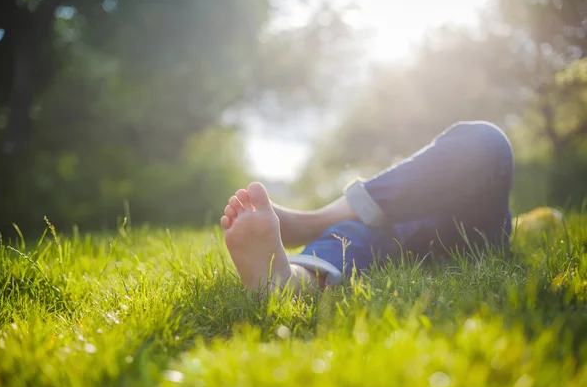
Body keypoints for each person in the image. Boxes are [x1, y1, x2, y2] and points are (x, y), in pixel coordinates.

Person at [220, 121, 514, 292]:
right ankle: (291, 281)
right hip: (399, 228)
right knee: (355, 232)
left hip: (471, 227)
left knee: (486, 141)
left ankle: (311, 223)